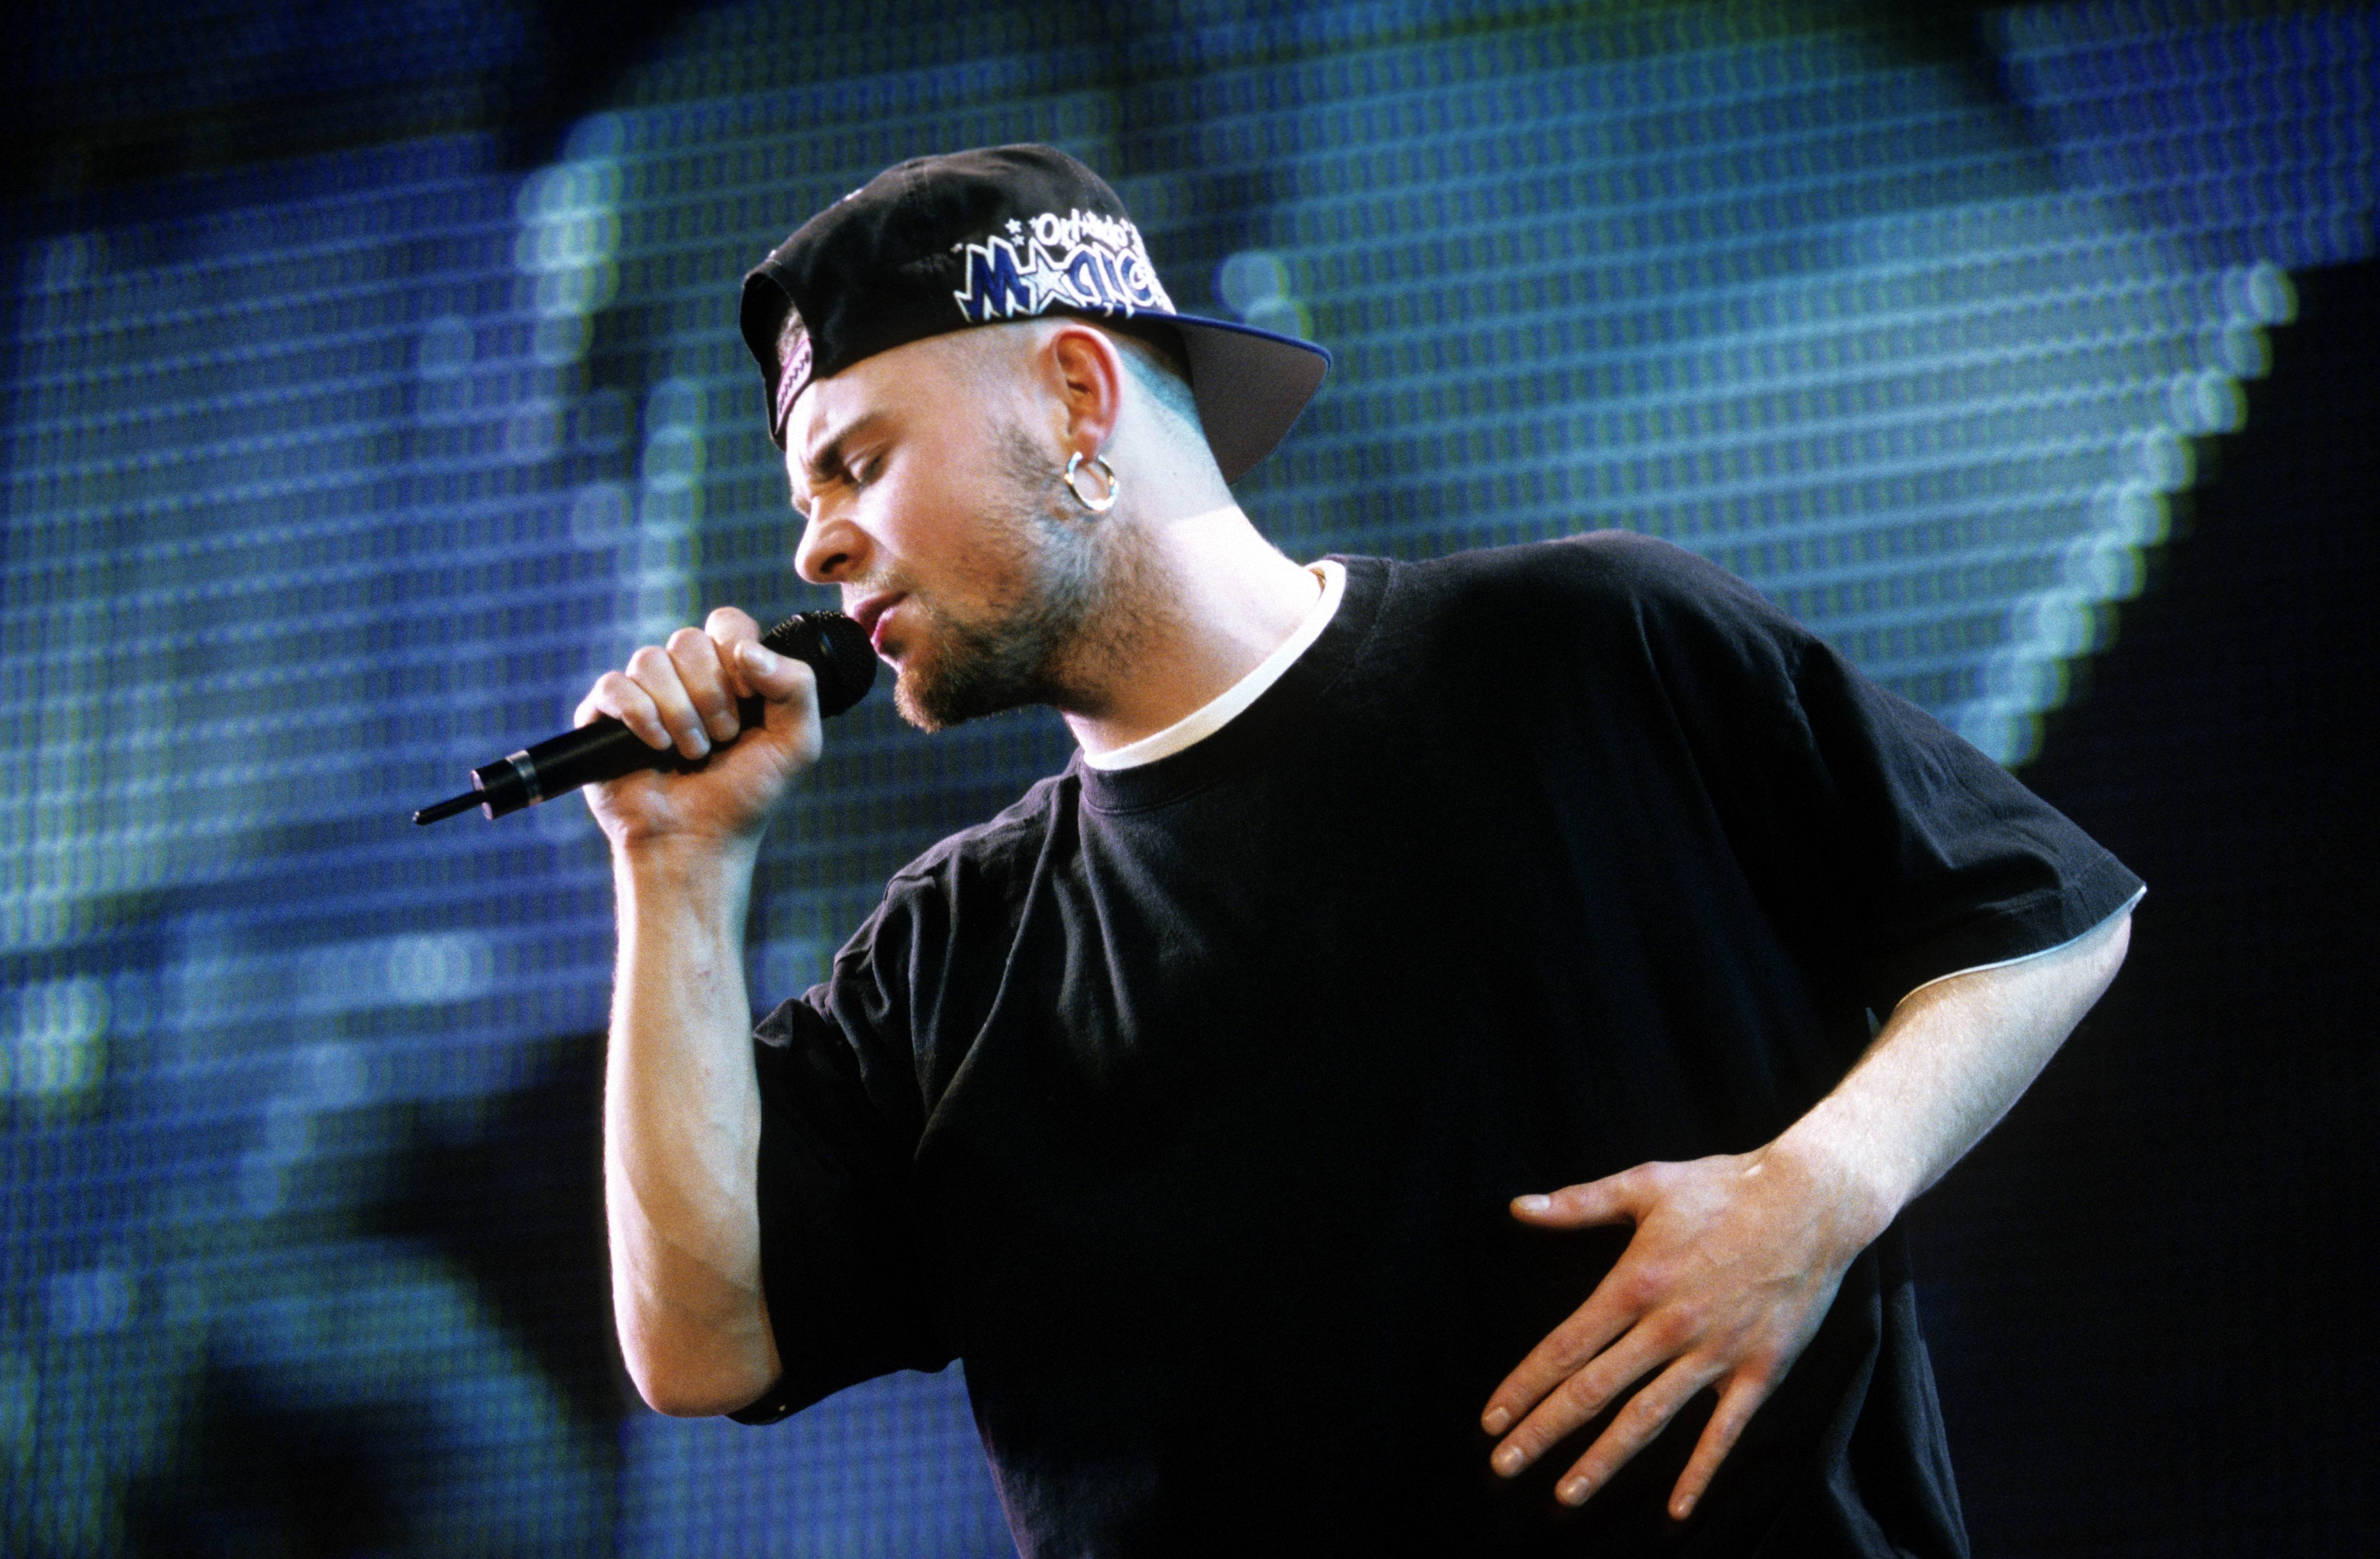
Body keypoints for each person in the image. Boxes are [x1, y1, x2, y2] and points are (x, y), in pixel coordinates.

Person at [579, 145, 2140, 1556]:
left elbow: (2042, 912)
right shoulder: (950, 956)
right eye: (806, 495)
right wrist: (674, 865)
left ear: (1075, 393)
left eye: (855, 462)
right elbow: (705, 1341)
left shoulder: (1587, 645)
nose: (813, 544)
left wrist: (1820, 1189)